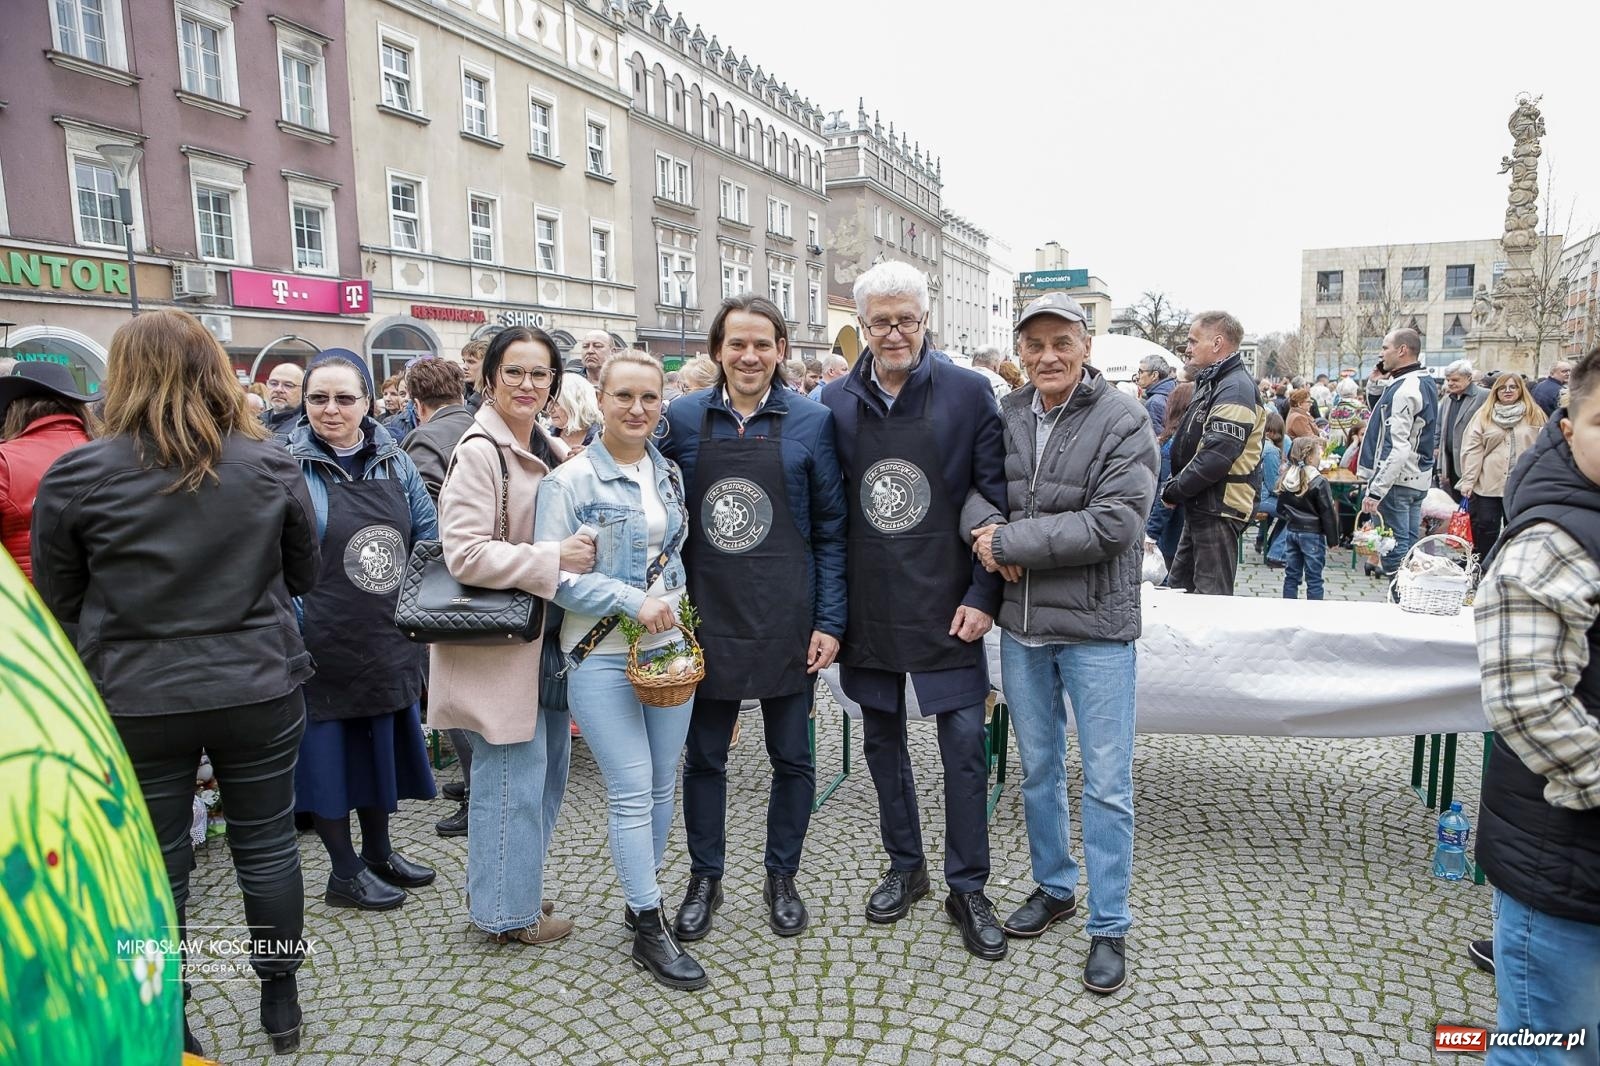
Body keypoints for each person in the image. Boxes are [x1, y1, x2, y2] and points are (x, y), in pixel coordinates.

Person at [31, 309, 320, 1056]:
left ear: (120, 376)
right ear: (216, 373)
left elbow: (57, 600)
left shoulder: (79, 471)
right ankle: (280, 1001)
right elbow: (304, 574)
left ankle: (172, 1013)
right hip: (255, 683)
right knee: (265, 845)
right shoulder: (268, 462)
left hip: (135, 693)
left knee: (157, 865)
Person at [815, 261, 1008, 961]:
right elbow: (826, 514)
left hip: (948, 598)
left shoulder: (968, 393)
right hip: (869, 601)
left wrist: (984, 596)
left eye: (906, 320)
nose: (894, 333)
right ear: (860, 327)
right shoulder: (833, 401)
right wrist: (829, 614)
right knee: (881, 743)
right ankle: (907, 867)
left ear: (926, 321)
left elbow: (994, 500)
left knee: (961, 747)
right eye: (880, 322)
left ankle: (968, 884)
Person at [966, 292, 1156, 994]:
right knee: (1038, 769)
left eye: (1061, 343)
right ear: (1021, 350)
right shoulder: (1007, 413)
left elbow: (1115, 524)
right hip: (1022, 627)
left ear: (1086, 346)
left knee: (1107, 784)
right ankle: (1054, 887)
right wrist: (986, 534)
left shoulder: (1124, 419)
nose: (1047, 356)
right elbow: (976, 490)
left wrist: (1012, 542)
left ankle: (1109, 925)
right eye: (1035, 344)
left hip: (1097, 629)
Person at [660, 295, 847, 943]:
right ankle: (704, 877)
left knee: (792, 757)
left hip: (786, 616)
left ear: (781, 351)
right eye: (737, 343)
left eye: (762, 344)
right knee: (705, 758)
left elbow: (831, 530)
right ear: (717, 351)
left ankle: (781, 875)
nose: (749, 355)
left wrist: (830, 619)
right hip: (706, 617)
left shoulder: (813, 422)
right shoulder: (679, 420)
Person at [534, 350, 704, 989]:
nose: (637, 409)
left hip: (667, 653)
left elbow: (673, 555)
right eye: (624, 396)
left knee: (664, 783)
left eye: (650, 398)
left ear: (663, 405)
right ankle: (648, 920)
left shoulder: (667, 473)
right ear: (599, 400)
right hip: (599, 655)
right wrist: (635, 599)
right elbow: (559, 581)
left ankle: (643, 899)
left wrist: (676, 611)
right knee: (632, 788)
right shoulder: (569, 481)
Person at [428, 327, 593, 946]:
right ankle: (506, 914)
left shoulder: (542, 443)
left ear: (555, 382)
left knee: (543, 778)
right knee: (507, 784)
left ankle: (514, 887)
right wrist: (554, 556)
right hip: (498, 649)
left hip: (539, 644)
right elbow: (464, 554)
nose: (528, 384)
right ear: (489, 376)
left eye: (540, 374)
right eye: (515, 372)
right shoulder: (480, 450)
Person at [1473, 344, 1600, 1063]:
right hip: (1566, 857)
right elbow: (1529, 705)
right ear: (1567, 427)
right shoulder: (1552, 542)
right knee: (1551, 1047)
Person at [287, 352, 439, 912]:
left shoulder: (395, 461)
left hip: (385, 632)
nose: (332, 409)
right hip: (321, 636)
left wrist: (419, 614)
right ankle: (344, 872)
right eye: (319, 398)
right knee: (329, 760)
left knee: (379, 749)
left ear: (369, 401)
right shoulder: (286, 464)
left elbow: (428, 536)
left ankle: (378, 851)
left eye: (345, 398)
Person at [395, 356, 479, 835]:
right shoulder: (477, 424)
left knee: (451, 695)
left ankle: (475, 793)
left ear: (415, 401)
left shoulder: (425, 439)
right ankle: (475, 784)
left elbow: (429, 522)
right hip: (480, 579)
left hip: (446, 585)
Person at [1160, 311, 1266, 596]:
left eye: (1193, 341)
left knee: (1210, 600)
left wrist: (1174, 490)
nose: (1188, 348)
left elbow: (1217, 456)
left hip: (1219, 507)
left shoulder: (1235, 387)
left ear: (1217, 343)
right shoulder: (1217, 382)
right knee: (1180, 591)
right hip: (1205, 504)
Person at [1357, 328, 1439, 576]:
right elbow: (1382, 414)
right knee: (1408, 542)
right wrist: (1375, 381)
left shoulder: (1405, 388)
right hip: (1417, 476)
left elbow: (1397, 446)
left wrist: (1376, 490)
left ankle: (1400, 599)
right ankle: (1408, 596)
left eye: (1385, 348)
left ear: (1402, 350)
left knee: (1394, 549)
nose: (1381, 354)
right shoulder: (1421, 381)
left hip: (1398, 479)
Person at [0, 364, 94, 580]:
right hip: (100, 604)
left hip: (28, 605)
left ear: (16, 408)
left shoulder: (5, 462)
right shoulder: (111, 454)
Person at [1458, 373, 1547, 562]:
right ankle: (1481, 566)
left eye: (1513, 387)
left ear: (1520, 390)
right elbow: (1473, 449)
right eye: (1503, 387)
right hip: (1489, 482)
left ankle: (1514, 565)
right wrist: (1468, 480)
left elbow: (1544, 448)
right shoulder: (1484, 415)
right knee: (1485, 526)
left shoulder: (1534, 414)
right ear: (1496, 391)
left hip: (1521, 483)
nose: (1508, 391)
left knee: (1518, 526)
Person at [1275, 436, 1340, 600]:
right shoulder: (1318, 481)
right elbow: (1328, 512)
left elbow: (1280, 508)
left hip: (1292, 531)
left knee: (1291, 575)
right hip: (1313, 533)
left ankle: (1288, 609)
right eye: (1318, 453)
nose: (1320, 457)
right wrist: (1333, 539)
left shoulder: (1287, 477)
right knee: (1314, 578)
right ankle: (1314, 613)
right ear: (1310, 457)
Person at [1148, 382, 1194, 574]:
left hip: (1171, 531)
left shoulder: (1172, 445)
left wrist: (1151, 533)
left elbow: (1166, 493)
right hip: (1180, 526)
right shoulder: (1185, 440)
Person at [1437, 360, 1489, 501]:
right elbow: (1439, 426)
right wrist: (1437, 449)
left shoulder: (1485, 396)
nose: (1450, 383)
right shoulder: (1448, 399)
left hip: (1473, 463)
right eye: (1448, 380)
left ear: (1469, 378)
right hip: (1451, 462)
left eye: (1455, 380)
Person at [1254, 410, 1285, 558]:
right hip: (1261, 498)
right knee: (1296, 512)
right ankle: (1276, 553)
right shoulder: (1271, 451)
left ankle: (1269, 543)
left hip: (1252, 495)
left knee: (1288, 508)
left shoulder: (1258, 444)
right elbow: (1274, 486)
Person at [547, 372, 603, 453]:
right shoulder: (545, 437)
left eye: (557, 403)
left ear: (576, 404)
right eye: (549, 402)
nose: (550, 409)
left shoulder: (603, 438)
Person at [1135, 354, 1175, 435]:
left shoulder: (1154, 403)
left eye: (1140, 372)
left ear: (1154, 375)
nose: (1137, 376)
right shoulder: (1171, 392)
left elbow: (1155, 440)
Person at [263, 362, 304, 437]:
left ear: (304, 390)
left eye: (288, 385)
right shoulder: (256, 422)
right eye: (273, 383)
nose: (278, 389)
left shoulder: (308, 428)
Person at [461, 339, 488, 412]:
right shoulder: (461, 392)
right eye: (464, 361)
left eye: (471, 362)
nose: (464, 367)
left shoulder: (495, 398)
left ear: (487, 365)